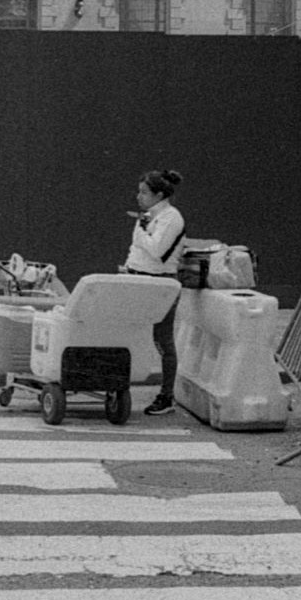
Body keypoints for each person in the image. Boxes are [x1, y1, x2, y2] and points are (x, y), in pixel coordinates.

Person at [122, 167, 186, 416]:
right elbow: (138, 250)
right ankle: (117, 386)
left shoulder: (172, 218)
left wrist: (140, 233)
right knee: (124, 333)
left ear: (159, 195)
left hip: (160, 285)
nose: (138, 197)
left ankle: (166, 396)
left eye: (144, 192)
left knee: (162, 339)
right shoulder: (149, 216)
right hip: (138, 280)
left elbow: (158, 251)